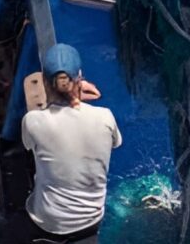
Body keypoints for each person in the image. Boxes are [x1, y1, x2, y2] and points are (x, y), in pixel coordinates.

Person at [6, 44, 120, 243]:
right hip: (90, 223)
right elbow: (115, 143)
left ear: (45, 83)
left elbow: (28, 146)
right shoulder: (105, 117)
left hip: (47, 223)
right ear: (80, 78)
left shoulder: (34, 121)